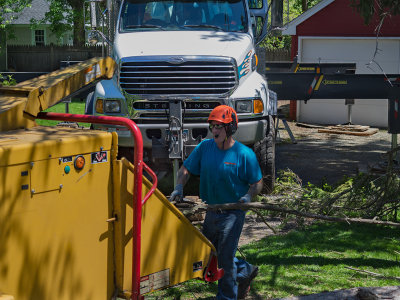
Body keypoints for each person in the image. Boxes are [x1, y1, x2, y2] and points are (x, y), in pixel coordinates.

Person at [170, 105, 262, 300]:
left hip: (233, 212)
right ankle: (246, 270)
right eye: (212, 126)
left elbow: (257, 183)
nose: (215, 130)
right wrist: (179, 186)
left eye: (220, 126)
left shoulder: (244, 155)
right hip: (211, 211)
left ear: (231, 128)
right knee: (209, 255)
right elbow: (186, 169)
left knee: (224, 259)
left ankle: (227, 297)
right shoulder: (205, 147)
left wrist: (248, 196)